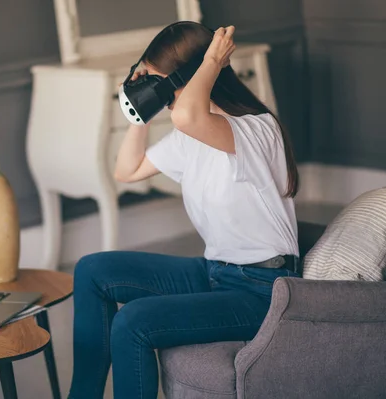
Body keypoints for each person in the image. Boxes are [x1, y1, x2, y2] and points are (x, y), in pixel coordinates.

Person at [67, 22, 301, 399]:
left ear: (194, 75)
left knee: (133, 322)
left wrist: (210, 61)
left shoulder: (255, 130)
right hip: (214, 271)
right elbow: (127, 170)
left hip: (262, 291)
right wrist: (137, 111)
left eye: (159, 84)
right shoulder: (190, 139)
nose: (155, 94)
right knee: (92, 270)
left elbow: (187, 116)